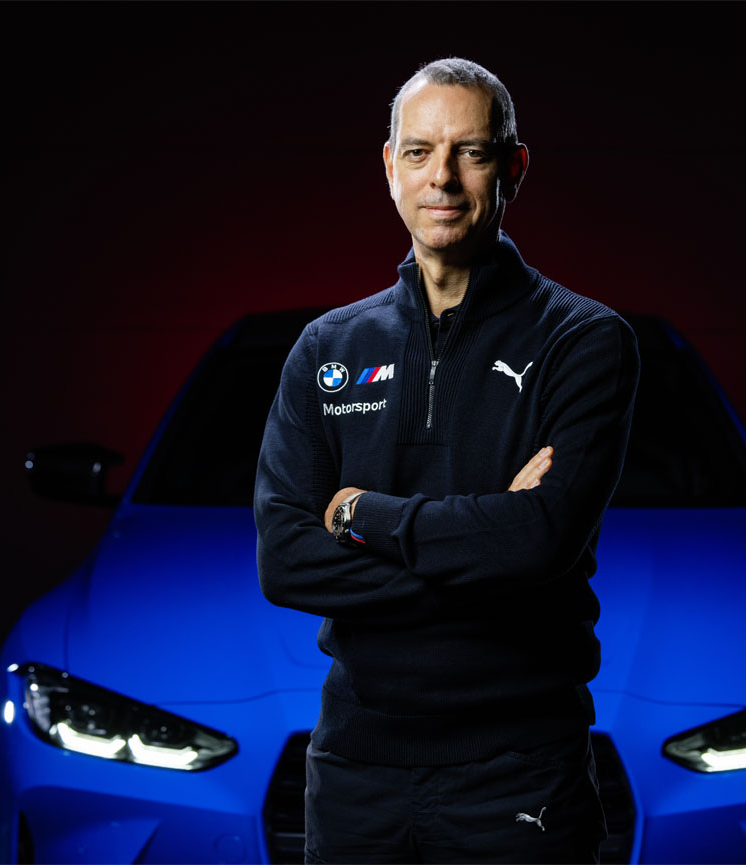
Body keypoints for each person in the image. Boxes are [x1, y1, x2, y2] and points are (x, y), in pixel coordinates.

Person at [254, 57, 639, 864]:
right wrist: (488, 556)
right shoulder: (329, 348)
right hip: (355, 764)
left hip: (519, 767)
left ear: (514, 168)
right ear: (390, 166)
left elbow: (540, 539)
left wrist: (361, 512)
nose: (445, 179)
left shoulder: (583, 340)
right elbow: (285, 561)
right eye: (421, 151)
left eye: (472, 151)